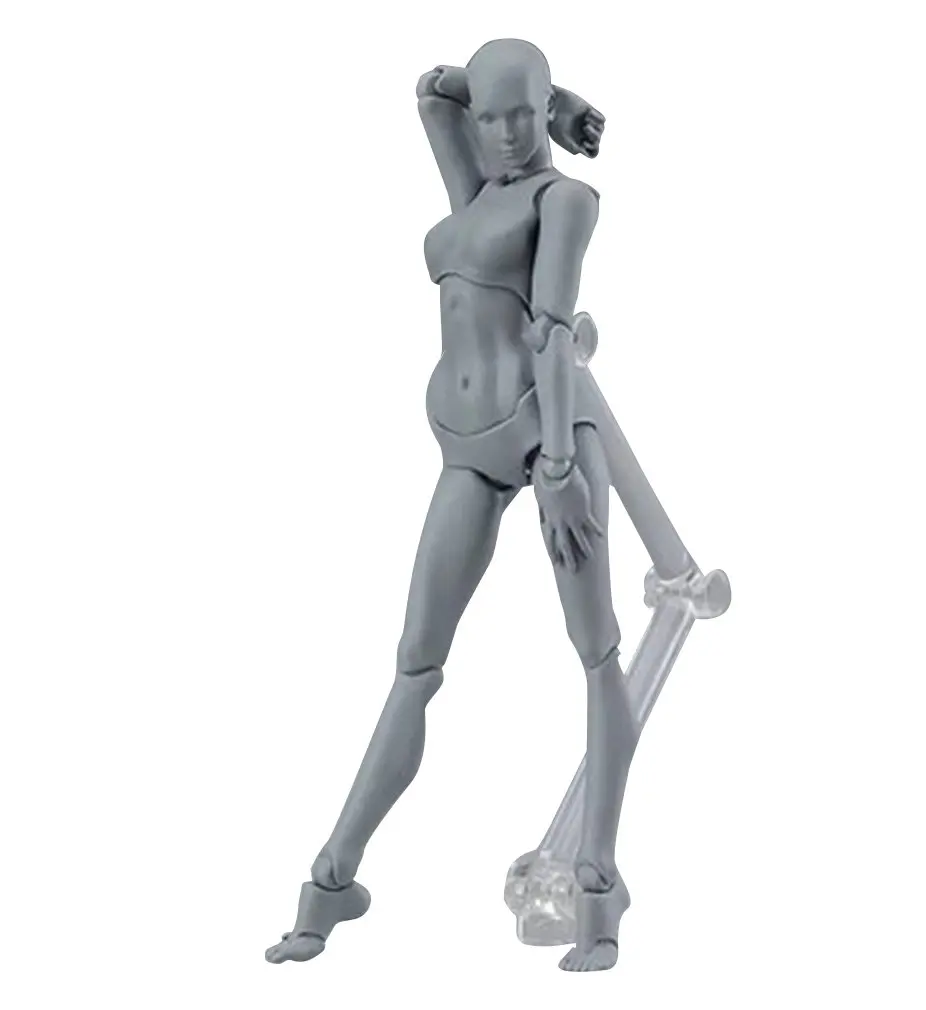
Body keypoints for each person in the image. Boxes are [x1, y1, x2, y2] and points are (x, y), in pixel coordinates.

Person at [266, 39, 638, 972]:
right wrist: (556, 100)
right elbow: (433, 87)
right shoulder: (473, 192)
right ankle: (333, 879)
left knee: (596, 654)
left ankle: (599, 889)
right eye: (494, 117)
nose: (505, 133)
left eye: (523, 115)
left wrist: (561, 466)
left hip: (546, 438)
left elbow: (553, 331)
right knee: (415, 663)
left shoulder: (564, 201)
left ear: (539, 113)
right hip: (466, 454)